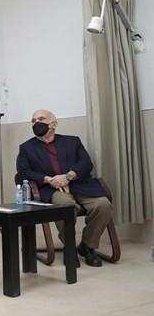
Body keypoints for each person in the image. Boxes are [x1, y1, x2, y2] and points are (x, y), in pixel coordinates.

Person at [16, 109, 113, 267]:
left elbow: (86, 163)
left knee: (103, 205)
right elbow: (23, 172)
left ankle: (87, 246)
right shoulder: (26, 148)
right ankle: (70, 247)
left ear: (53, 124)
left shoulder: (72, 142)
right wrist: (49, 179)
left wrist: (67, 177)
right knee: (65, 205)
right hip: (51, 189)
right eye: (33, 121)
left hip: (80, 185)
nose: (36, 123)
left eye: (41, 119)